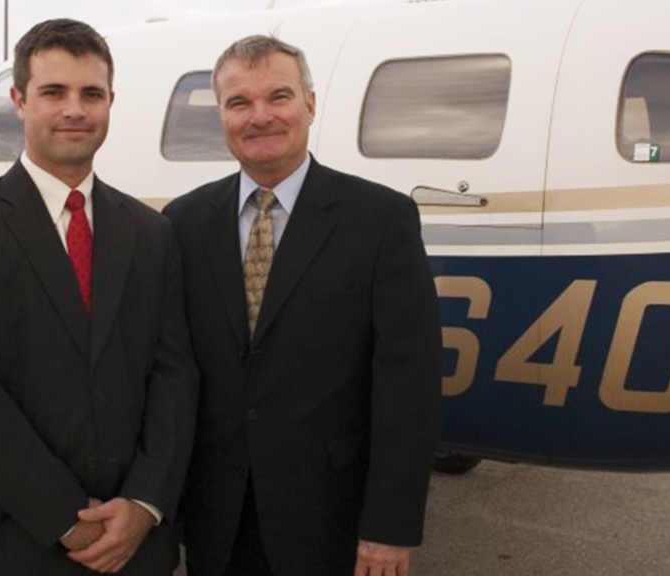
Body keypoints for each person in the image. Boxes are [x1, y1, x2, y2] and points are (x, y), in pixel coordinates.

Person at [0, 19, 197, 576]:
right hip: (14, 536)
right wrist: (65, 518)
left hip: (135, 541)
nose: (75, 109)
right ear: (19, 102)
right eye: (53, 92)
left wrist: (145, 503)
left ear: (110, 102)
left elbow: (175, 375)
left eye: (91, 94)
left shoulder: (150, 231)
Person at [163, 35, 443, 576]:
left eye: (279, 97)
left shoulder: (381, 220)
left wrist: (390, 526)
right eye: (239, 102)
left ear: (310, 105)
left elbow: (409, 387)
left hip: (331, 518)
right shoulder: (183, 223)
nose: (259, 117)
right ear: (221, 114)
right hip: (216, 520)